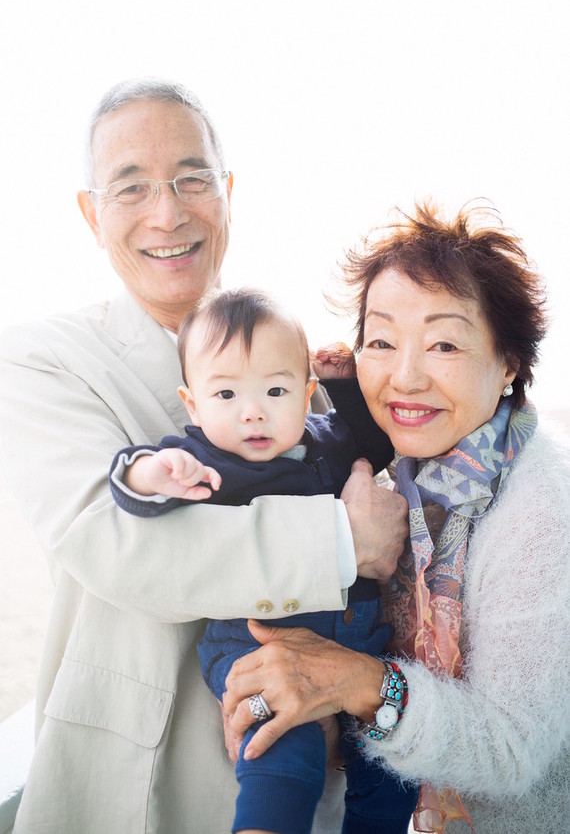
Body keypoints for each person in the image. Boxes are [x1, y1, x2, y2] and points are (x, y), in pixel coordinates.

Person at [0, 78, 409, 833]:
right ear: (91, 214)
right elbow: (116, 543)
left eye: (192, 180)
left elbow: (359, 475)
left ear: (228, 194)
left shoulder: (285, 357)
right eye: (132, 187)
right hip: (129, 791)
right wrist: (343, 539)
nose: (167, 213)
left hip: (300, 764)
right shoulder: (39, 360)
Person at [222, 202, 570, 834]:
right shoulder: (402, 483)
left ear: (509, 364)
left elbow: (514, 750)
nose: (404, 377)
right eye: (381, 342)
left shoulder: (541, 511)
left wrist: (355, 682)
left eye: (444, 344)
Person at [109, 287, 418, 834]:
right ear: (193, 404)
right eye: (225, 394)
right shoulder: (204, 458)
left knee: (394, 767)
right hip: (253, 647)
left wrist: (346, 386)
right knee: (285, 747)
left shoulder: (328, 439)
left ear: (306, 393)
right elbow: (132, 491)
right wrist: (153, 473)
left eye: (276, 390)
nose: (252, 411)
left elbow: (377, 444)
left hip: (358, 645)